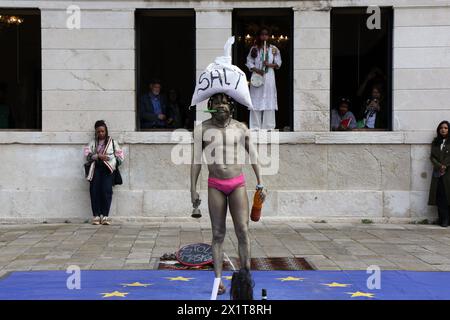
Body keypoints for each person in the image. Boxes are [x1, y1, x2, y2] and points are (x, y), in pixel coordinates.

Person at [190, 93, 266, 296]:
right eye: (216, 102)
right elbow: (196, 161)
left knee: (242, 230)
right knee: (217, 234)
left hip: (237, 184)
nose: (221, 105)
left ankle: (246, 278)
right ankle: (218, 281)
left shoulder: (240, 128)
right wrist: (192, 188)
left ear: (231, 106)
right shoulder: (202, 129)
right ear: (210, 106)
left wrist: (260, 183)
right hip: (215, 184)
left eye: (224, 102)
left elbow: (254, 156)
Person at [84, 120, 124, 225]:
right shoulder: (93, 143)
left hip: (108, 171)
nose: (101, 133)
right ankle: (96, 216)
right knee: (94, 191)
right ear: (96, 132)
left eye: (102, 131)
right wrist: (98, 156)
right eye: (98, 132)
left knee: (106, 191)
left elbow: (120, 157)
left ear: (106, 131)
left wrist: (112, 162)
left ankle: (105, 216)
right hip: (95, 169)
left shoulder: (113, 143)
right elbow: (87, 155)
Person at [246, 27, 282, 130]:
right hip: (257, 76)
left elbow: (278, 63)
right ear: (259, 36)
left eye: (266, 34)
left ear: (269, 36)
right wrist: (257, 70)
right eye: (262, 34)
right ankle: (255, 127)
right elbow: (249, 62)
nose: (264, 36)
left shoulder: (273, 49)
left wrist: (269, 64)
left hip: (269, 76)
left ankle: (268, 127)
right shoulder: (254, 49)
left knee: (269, 99)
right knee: (255, 99)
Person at [428, 121, 450, 227]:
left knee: (447, 196)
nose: (443, 130)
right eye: (441, 128)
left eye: (446, 128)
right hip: (438, 173)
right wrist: (439, 166)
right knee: (440, 196)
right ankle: (442, 218)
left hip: (448, 173)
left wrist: (445, 165)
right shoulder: (435, 142)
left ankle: (447, 219)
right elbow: (432, 157)